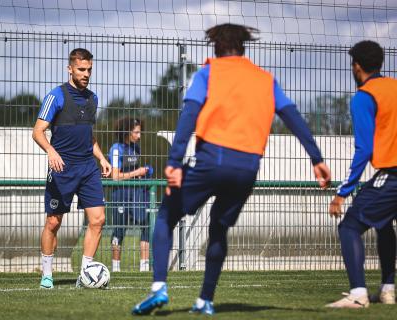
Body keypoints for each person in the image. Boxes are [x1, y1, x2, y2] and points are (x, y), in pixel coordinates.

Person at [131, 23, 331, 315]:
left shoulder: (209, 74)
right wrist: (317, 158)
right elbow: (293, 116)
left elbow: (188, 115)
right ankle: (205, 301)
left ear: (215, 48)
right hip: (247, 167)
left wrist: (174, 162)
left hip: (212, 159)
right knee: (219, 229)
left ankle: (159, 288)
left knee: (166, 215)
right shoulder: (265, 79)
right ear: (243, 48)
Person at [32, 48, 111, 289]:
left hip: (87, 167)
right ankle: (47, 275)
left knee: (98, 220)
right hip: (62, 167)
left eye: (89, 70)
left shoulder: (93, 98)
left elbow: (89, 136)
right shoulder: (55, 96)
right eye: (81, 69)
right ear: (70, 69)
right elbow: (37, 131)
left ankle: (85, 274)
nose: (86, 74)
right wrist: (51, 151)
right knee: (53, 223)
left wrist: (102, 158)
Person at [327, 40, 397, 308]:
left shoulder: (365, 96)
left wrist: (342, 192)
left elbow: (365, 148)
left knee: (350, 226)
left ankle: (358, 294)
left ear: (356, 66)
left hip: (392, 174)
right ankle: (388, 290)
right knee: (384, 223)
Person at [108, 117, 152, 272]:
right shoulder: (116, 149)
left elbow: (133, 172)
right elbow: (115, 176)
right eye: (136, 132)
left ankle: (144, 267)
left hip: (137, 194)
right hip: (120, 194)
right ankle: (116, 268)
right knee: (119, 230)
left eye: (140, 132)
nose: (139, 136)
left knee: (146, 226)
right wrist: (136, 172)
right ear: (127, 132)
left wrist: (142, 174)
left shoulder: (136, 148)